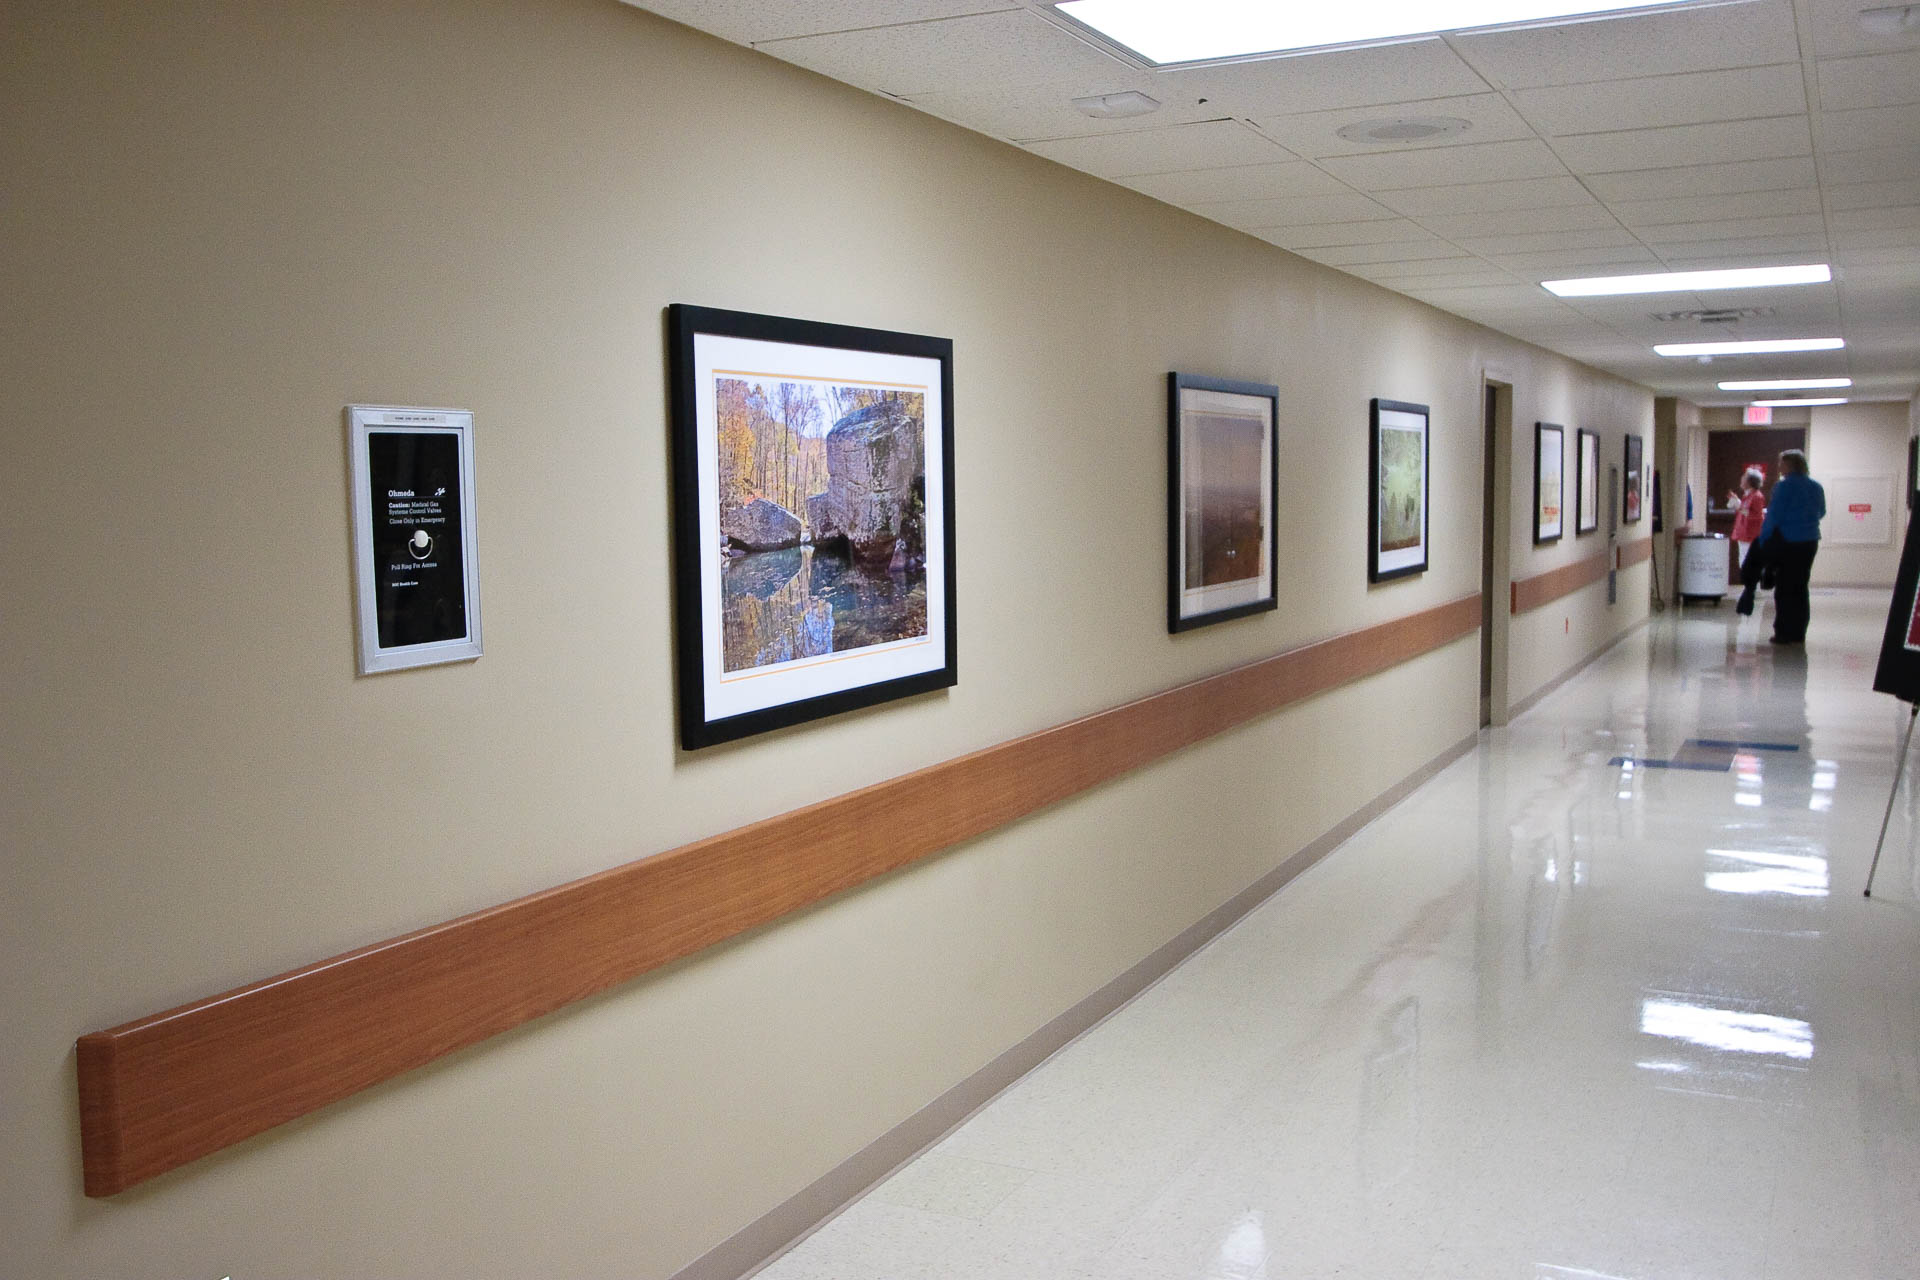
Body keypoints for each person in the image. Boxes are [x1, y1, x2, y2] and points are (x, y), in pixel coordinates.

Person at [1738, 449, 1825, 643]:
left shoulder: (1783, 487)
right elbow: (1821, 512)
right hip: (1809, 542)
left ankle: (1784, 632)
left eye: (1781, 464)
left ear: (1789, 465)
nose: (1779, 467)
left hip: (1788, 542)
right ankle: (1799, 632)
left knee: (1785, 587)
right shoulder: (1816, 487)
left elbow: (1773, 517)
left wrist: (1763, 540)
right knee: (1800, 587)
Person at [1728, 469, 1766, 566]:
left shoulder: (1757, 496)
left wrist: (1739, 507)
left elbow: (1757, 515)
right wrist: (1737, 501)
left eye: (1744, 477)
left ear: (1750, 481)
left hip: (1751, 535)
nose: (1741, 479)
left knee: (1749, 562)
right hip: (1744, 533)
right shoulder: (1748, 495)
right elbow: (1746, 509)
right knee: (1743, 561)